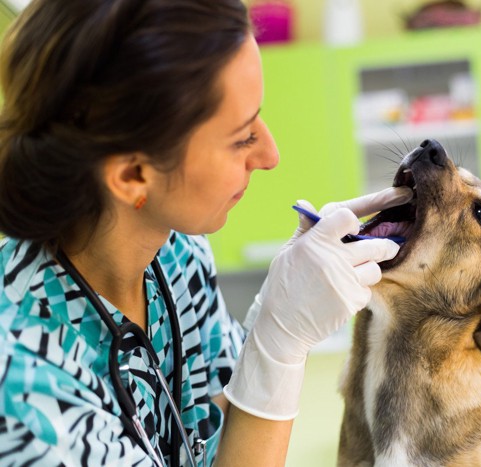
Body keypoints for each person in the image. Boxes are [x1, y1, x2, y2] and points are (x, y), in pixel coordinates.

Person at [0, 0, 412, 465]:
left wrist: (270, 317)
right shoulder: (24, 386)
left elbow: (214, 440)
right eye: (240, 137)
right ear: (133, 174)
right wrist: (279, 344)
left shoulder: (176, 255)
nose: (270, 155)